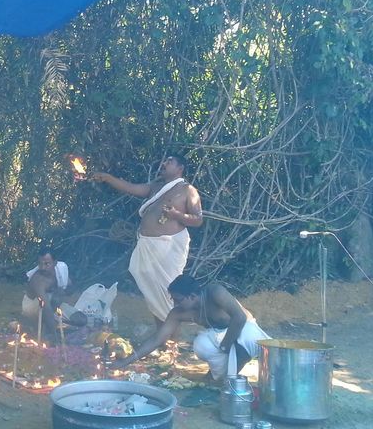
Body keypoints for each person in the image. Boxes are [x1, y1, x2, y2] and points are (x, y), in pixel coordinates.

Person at [92, 154, 203, 323]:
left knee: (168, 292)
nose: (164, 163)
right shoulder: (155, 187)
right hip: (147, 246)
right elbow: (130, 187)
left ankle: (173, 338)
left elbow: (198, 220)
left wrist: (176, 214)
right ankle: (163, 336)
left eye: (169, 161)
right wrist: (107, 178)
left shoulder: (188, 190)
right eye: (164, 160)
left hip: (168, 249)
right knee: (154, 294)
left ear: (180, 168)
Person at [111, 274, 268, 381]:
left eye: (178, 300)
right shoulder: (178, 313)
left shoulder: (215, 292)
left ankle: (232, 374)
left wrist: (227, 344)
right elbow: (157, 339)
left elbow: (239, 318)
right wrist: (125, 362)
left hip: (245, 328)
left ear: (192, 296)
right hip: (219, 335)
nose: (175, 304)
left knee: (247, 341)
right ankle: (219, 377)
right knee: (201, 345)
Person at [22, 249, 71, 331]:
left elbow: (69, 286)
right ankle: (48, 328)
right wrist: (54, 335)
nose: (43, 268)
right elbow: (45, 306)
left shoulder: (61, 270)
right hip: (33, 306)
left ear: (55, 263)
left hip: (54, 304)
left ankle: (55, 325)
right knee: (50, 307)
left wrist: (61, 293)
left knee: (81, 319)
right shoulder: (38, 280)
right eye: (40, 264)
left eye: (47, 264)